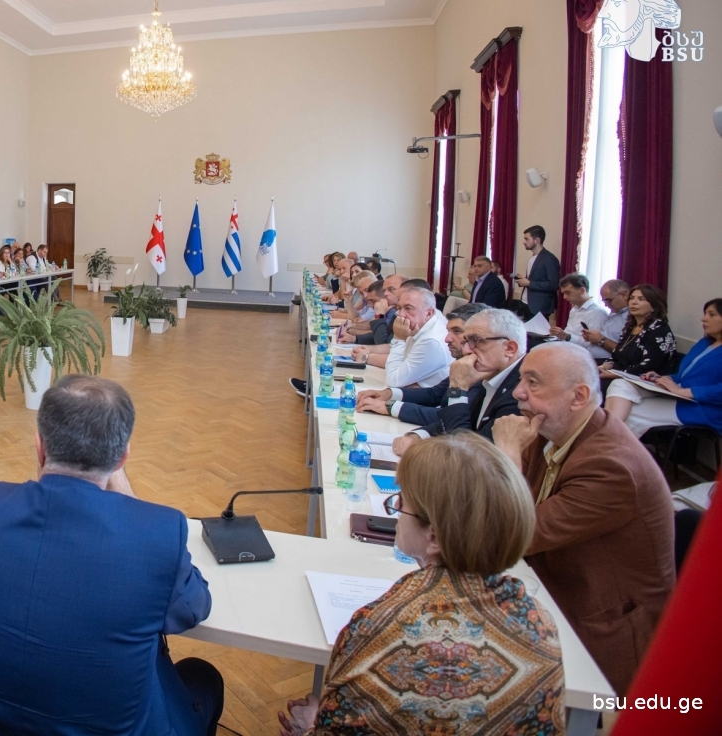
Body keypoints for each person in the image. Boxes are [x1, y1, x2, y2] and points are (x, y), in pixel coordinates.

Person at [0, 376, 224, 735]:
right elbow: (194, 607)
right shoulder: (160, 535)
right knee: (202, 677)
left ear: (40, 447)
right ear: (121, 458)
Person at [278, 433, 564, 735]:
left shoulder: (379, 627)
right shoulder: (541, 623)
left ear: (434, 537)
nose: (396, 511)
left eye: (403, 503)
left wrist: (310, 725)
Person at [490, 342, 675, 694]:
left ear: (578, 397)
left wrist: (508, 452)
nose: (518, 392)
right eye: (521, 379)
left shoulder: (611, 467)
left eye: (533, 382)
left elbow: (513, 534)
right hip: (549, 586)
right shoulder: (550, 430)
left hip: (600, 633)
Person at [388, 308, 526, 455]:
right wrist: (418, 436)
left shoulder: (520, 392)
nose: (466, 350)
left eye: (476, 341)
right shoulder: (490, 372)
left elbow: (466, 453)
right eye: (466, 341)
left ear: (509, 348)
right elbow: (458, 419)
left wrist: (458, 389)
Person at [354, 303, 489, 427]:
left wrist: (391, 407)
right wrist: (389, 394)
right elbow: (435, 394)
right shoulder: (467, 361)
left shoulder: (434, 342)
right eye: (449, 331)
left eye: (457, 331)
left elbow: (452, 417)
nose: (447, 338)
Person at [605, 298, 722, 438]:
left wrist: (685, 392)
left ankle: (607, 441)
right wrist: (664, 378)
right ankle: (609, 442)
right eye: (705, 314)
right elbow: (685, 375)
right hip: (679, 395)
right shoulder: (704, 343)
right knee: (620, 384)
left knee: (628, 411)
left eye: (711, 314)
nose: (703, 319)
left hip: (702, 408)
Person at [352, 286, 451, 388]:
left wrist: (398, 339)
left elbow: (393, 381)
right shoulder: (421, 325)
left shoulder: (431, 341)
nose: (400, 314)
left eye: (408, 308)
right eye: (399, 308)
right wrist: (368, 349)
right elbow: (400, 355)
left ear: (429, 313)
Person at [598, 283, 675, 385]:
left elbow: (648, 366)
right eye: (632, 298)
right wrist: (604, 367)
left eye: (641, 299)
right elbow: (616, 355)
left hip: (643, 380)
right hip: (619, 374)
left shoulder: (659, 330)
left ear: (653, 306)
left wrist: (615, 374)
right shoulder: (630, 327)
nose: (634, 302)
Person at [549, 273, 609, 361]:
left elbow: (594, 343)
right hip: (572, 350)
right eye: (563, 293)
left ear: (582, 290)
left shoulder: (597, 312)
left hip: (589, 357)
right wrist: (558, 335)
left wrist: (567, 337)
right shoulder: (574, 309)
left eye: (568, 293)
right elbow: (569, 331)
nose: (565, 297)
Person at [515, 225, 561, 318]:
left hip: (539, 306)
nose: (523, 242)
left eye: (526, 239)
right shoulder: (532, 257)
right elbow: (537, 278)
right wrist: (524, 280)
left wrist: (529, 283)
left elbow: (553, 285)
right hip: (526, 303)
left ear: (537, 240)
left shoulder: (549, 259)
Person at [581, 278, 631, 354]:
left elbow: (625, 352)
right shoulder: (613, 314)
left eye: (609, 300)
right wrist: (592, 337)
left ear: (623, 295)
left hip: (607, 359)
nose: (606, 305)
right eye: (604, 301)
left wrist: (600, 340)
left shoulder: (631, 317)